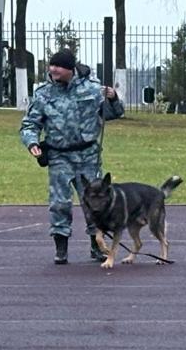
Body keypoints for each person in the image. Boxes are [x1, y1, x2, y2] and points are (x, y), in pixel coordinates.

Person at [20, 51, 121, 265]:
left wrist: (112, 97)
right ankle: (61, 247)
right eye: (51, 66)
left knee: (95, 201)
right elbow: (30, 123)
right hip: (59, 155)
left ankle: (97, 245)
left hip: (87, 155)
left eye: (58, 66)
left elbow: (114, 113)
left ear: (70, 69)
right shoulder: (43, 93)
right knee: (59, 203)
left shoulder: (92, 89)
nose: (53, 70)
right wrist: (32, 142)